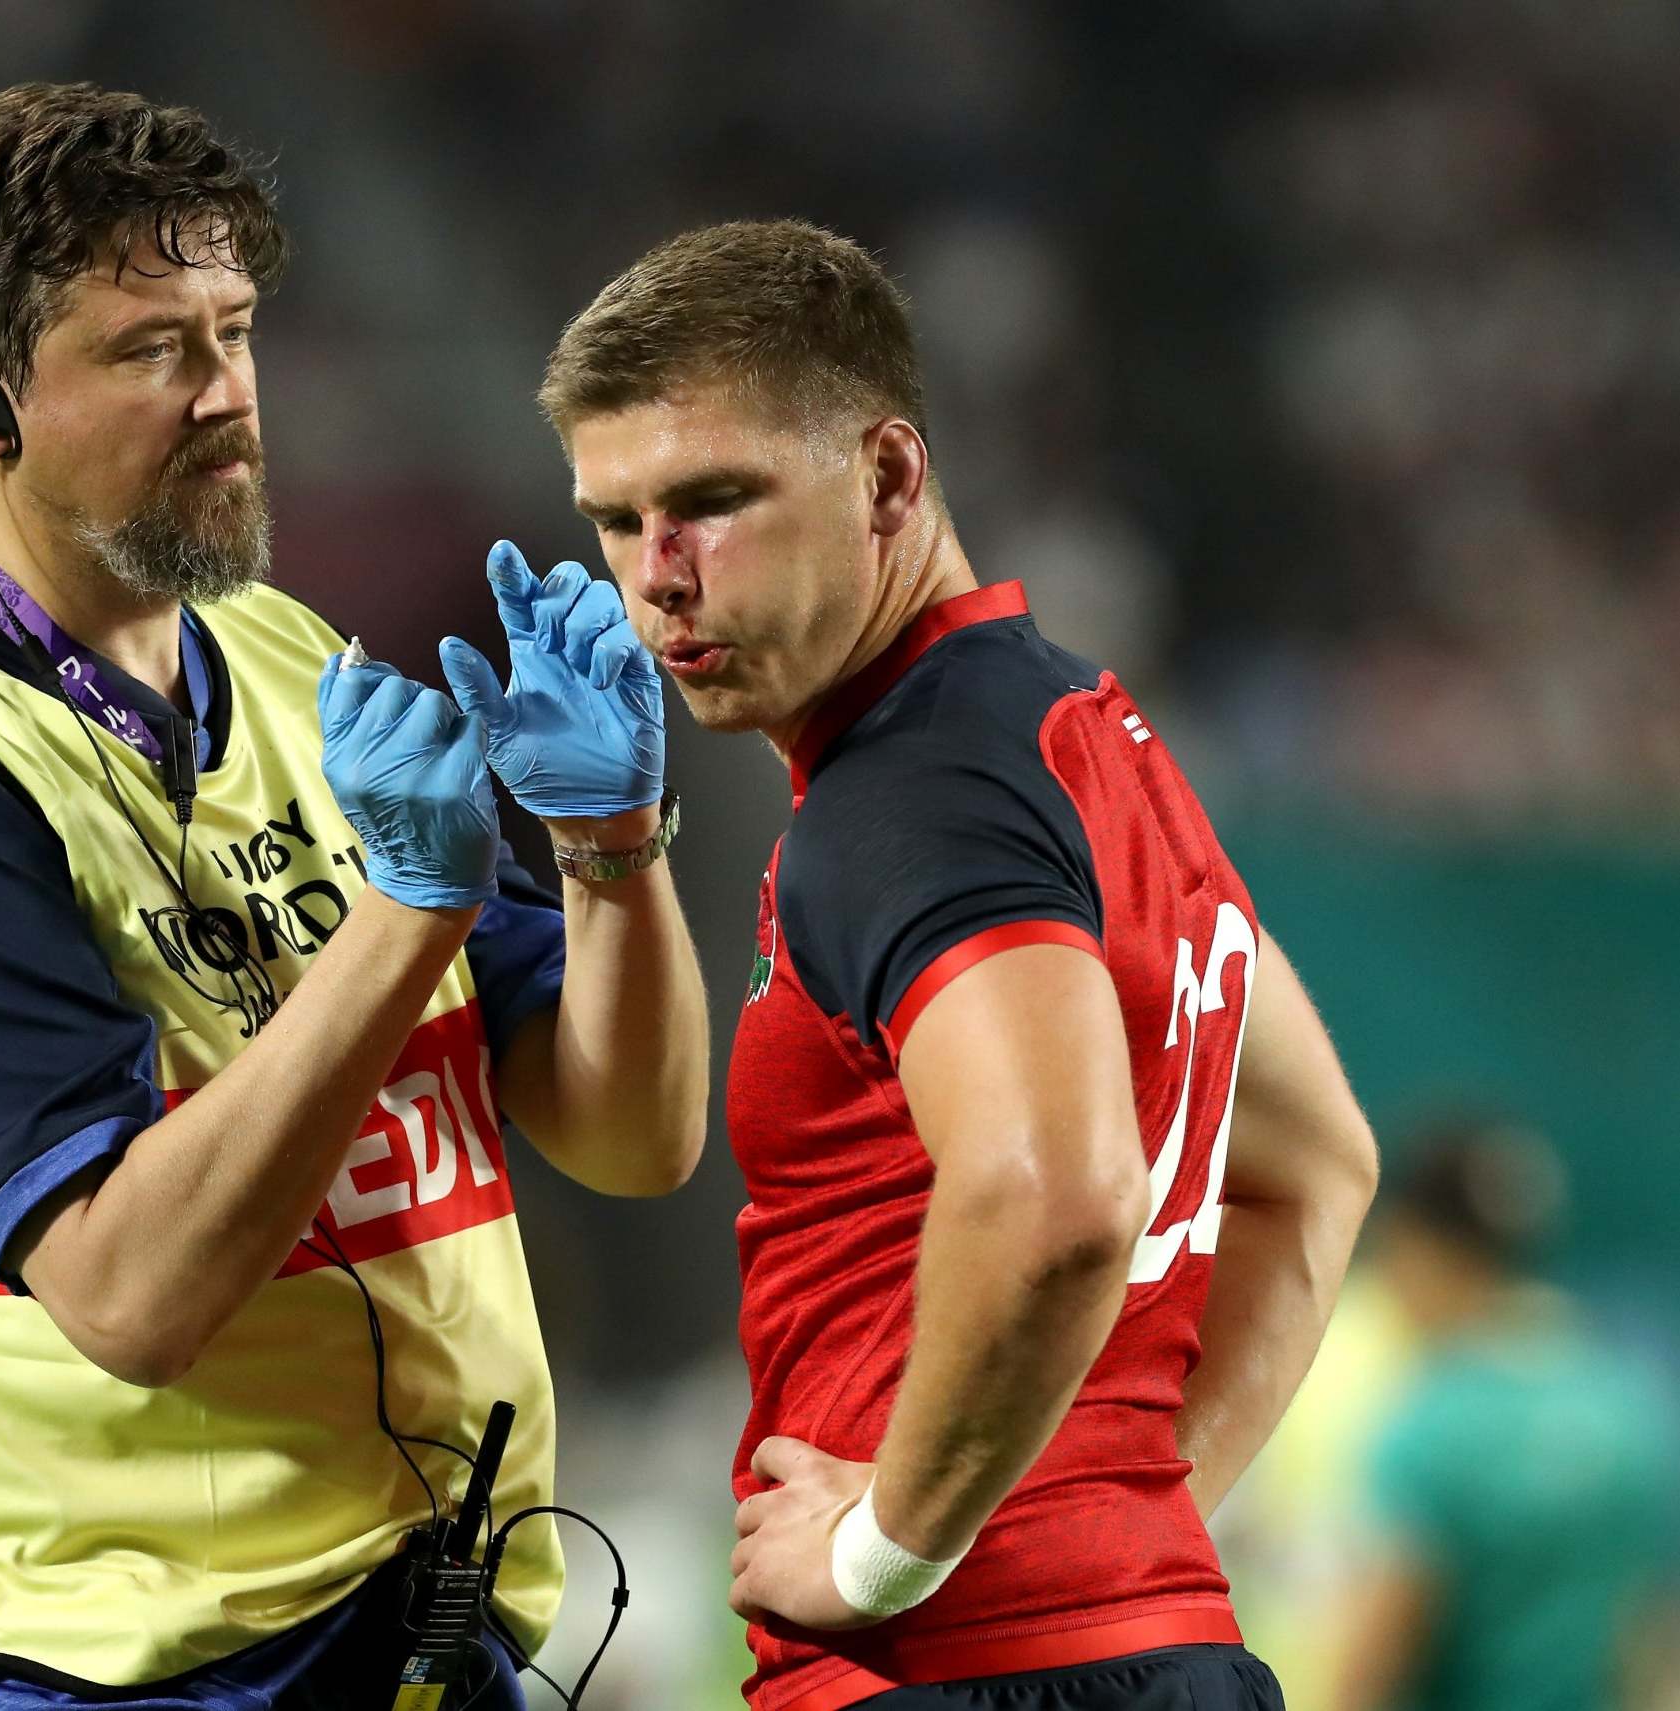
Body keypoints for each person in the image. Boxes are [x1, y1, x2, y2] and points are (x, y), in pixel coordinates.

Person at [0, 83, 708, 1711]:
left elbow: (631, 1136)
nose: (227, 397)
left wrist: (610, 845)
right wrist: (410, 910)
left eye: (235, 330)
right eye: (148, 350)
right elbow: (130, 1291)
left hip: (414, 1625)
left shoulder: (288, 658)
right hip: (109, 1672)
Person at [534, 220, 1382, 1711]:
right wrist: (1102, 1531)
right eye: (615, 520)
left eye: (713, 501)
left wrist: (887, 1551)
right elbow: (1312, 1168)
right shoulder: (1077, 733)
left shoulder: (911, 794)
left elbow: (1056, 1195)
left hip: (948, 1674)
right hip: (1142, 1648)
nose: (656, 577)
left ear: (888, 477)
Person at [1334, 1120, 1680, 1711]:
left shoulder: (1434, 1428)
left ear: (1412, 1244)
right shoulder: (1632, 1408)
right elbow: (1653, 1639)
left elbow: (1375, 1662)